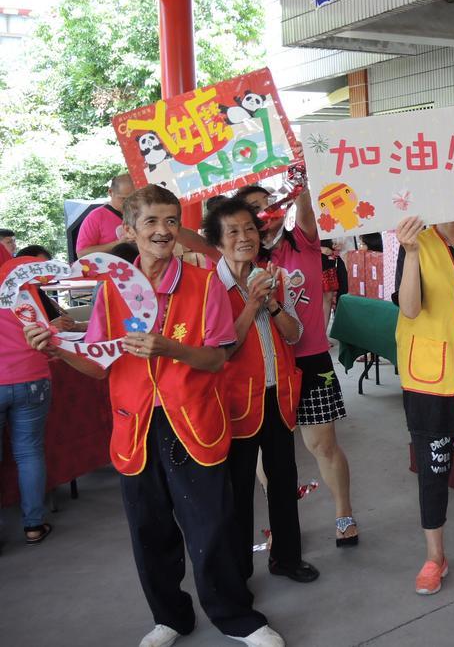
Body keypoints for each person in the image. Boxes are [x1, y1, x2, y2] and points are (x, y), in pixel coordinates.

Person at [23, 185, 283, 647]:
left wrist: (171, 348)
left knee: (213, 523)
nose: (163, 231)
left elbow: (216, 359)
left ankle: (235, 617)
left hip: (194, 422)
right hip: (135, 424)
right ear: (128, 230)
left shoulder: (204, 286)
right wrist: (56, 347)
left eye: (170, 221)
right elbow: (98, 367)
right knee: (149, 527)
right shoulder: (102, 289)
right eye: (151, 222)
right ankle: (169, 616)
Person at [203, 198, 319, 586]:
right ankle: (238, 572)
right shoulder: (210, 289)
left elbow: (295, 334)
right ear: (217, 242)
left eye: (249, 229)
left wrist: (269, 302)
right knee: (237, 493)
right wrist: (252, 306)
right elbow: (222, 351)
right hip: (236, 404)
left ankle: (287, 558)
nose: (244, 237)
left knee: (284, 481)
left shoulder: (273, 278)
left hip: (278, 397)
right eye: (233, 231)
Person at [236, 184, 358, 547]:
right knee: (266, 453)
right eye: (253, 211)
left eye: (268, 206)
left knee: (323, 445)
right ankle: (282, 521)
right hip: (265, 364)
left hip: (311, 359)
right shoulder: (242, 260)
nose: (264, 215)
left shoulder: (300, 241)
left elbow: (306, 208)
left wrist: (303, 182)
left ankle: (344, 513)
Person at [392, 215, 454, 595]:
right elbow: (410, 308)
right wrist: (411, 252)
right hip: (428, 375)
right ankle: (435, 557)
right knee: (434, 467)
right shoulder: (416, 242)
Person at [0, 245, 80, 546]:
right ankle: (33, 524)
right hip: (31, 375)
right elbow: (47, 329)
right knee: (29, 452)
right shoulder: (21, 283)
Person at [76, 174, 134, 256]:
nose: (129, 203)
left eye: (133, 198)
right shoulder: (96, 216)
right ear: (110, 192)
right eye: (123, 198)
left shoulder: (141, 213)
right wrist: (118, 243)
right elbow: (81, 254)